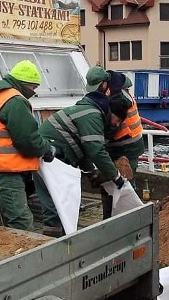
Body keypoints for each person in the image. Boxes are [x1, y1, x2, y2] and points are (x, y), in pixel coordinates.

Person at [34, 66, 128, 237]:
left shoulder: (89, 110)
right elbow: (95, 149)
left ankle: (60, 239)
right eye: (117, 120)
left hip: (56, 153)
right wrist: (116, 177)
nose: (116, 125)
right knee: (55, 203)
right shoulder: (92, 115)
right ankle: (52, 246)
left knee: (62, 201)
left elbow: (82, 148)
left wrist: (91, 172)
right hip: (50, 156)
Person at [0, 60, 55, 230]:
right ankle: (25, 255)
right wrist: (46, 148)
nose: (34, 92)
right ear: (26, 84)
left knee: (2, 219)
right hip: (6, 172)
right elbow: (28, 141)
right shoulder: (15, 100)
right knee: (20, 222)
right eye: (34, 87)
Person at [102, 70, 145, 219]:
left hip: (126, 146)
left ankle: (129, 218)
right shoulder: (122, 93)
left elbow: (114, 124)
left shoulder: (119, 99)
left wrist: (102, 141)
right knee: (122, 182)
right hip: (130, 144)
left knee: (125, 182)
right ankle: (117, 217)